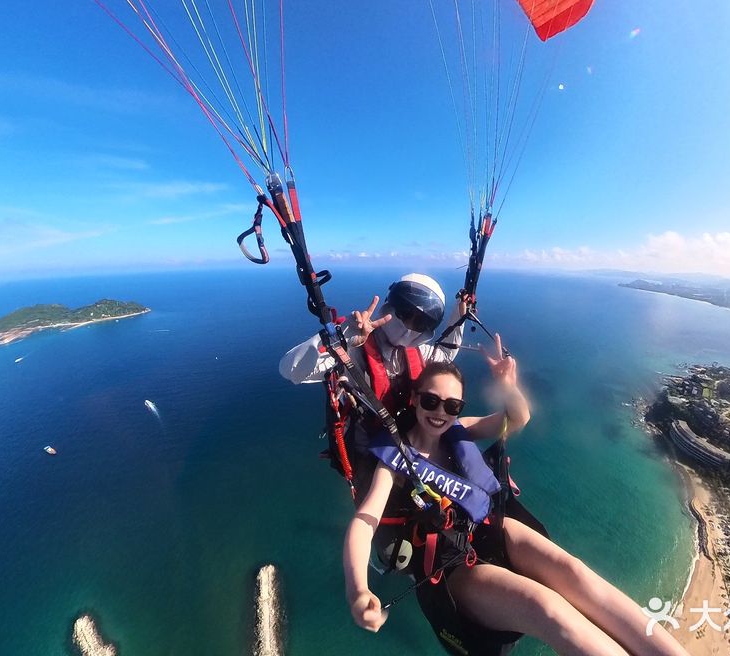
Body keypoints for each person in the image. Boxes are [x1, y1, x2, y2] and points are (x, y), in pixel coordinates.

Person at [343, 335, 689, 656]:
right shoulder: (395, 461)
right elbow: (365, 521)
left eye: (452, 406)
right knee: (547, 609)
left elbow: (517, 417)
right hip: (452, 566)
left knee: (576, 574)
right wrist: (358, 589)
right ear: (416, 399)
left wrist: (507, 385)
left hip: (493, 529)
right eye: (431, 401)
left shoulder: (461, 431)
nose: (440, 413)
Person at [279, 273, 467, 412]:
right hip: (366, 451)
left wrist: (460, 312)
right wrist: (341, 337)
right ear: (390, 307)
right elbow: (291, 371)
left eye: (419, 322)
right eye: (405, 314)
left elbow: (446, 354)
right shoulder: (353, 353)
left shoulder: (422, 353)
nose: (408, 327)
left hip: (403, 448)